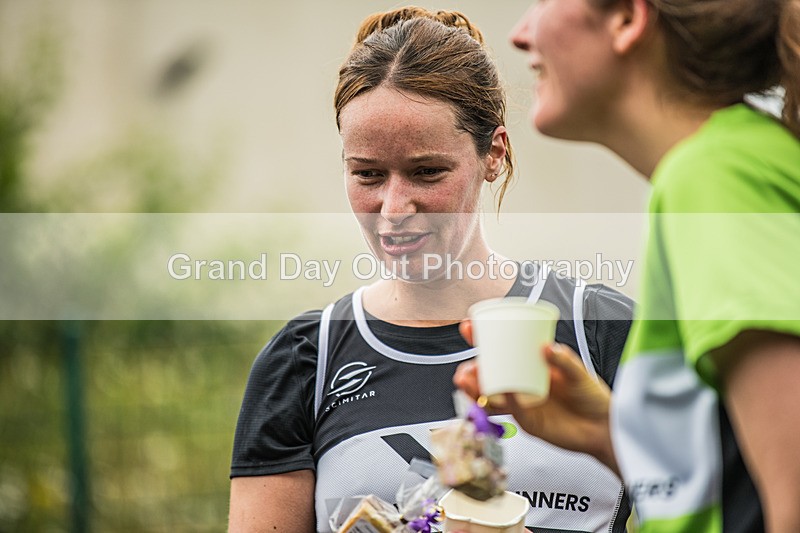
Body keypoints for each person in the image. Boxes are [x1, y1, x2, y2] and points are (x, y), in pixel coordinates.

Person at [228, 7, 635, 533]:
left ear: (494, 154)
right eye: (368, 175)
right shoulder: (306, 358)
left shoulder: (603, 331)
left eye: (427, 172)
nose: (394, 208)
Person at [454, 1, 800, 532]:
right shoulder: (731, 165)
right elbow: (734, 479)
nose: (521, 34)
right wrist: (606, 431)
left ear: (626, 19)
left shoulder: (714, 178)